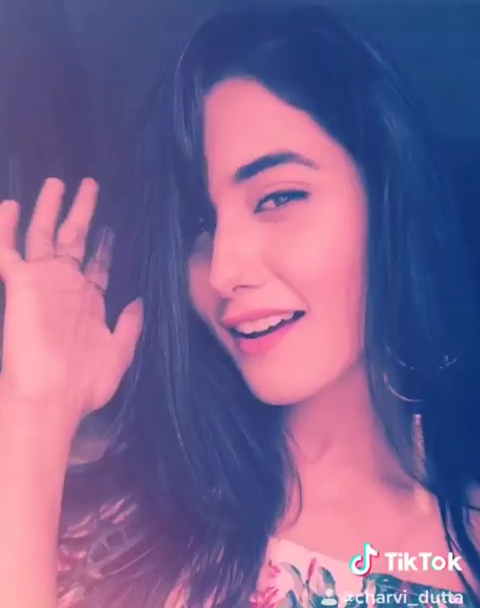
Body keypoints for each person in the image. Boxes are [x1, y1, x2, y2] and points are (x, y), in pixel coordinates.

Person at [0, 1, 479, 606]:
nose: (224, 271)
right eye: (201, 225)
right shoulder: (99, 494)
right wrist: (34, 411)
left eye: (277, 198)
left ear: (388, 201)